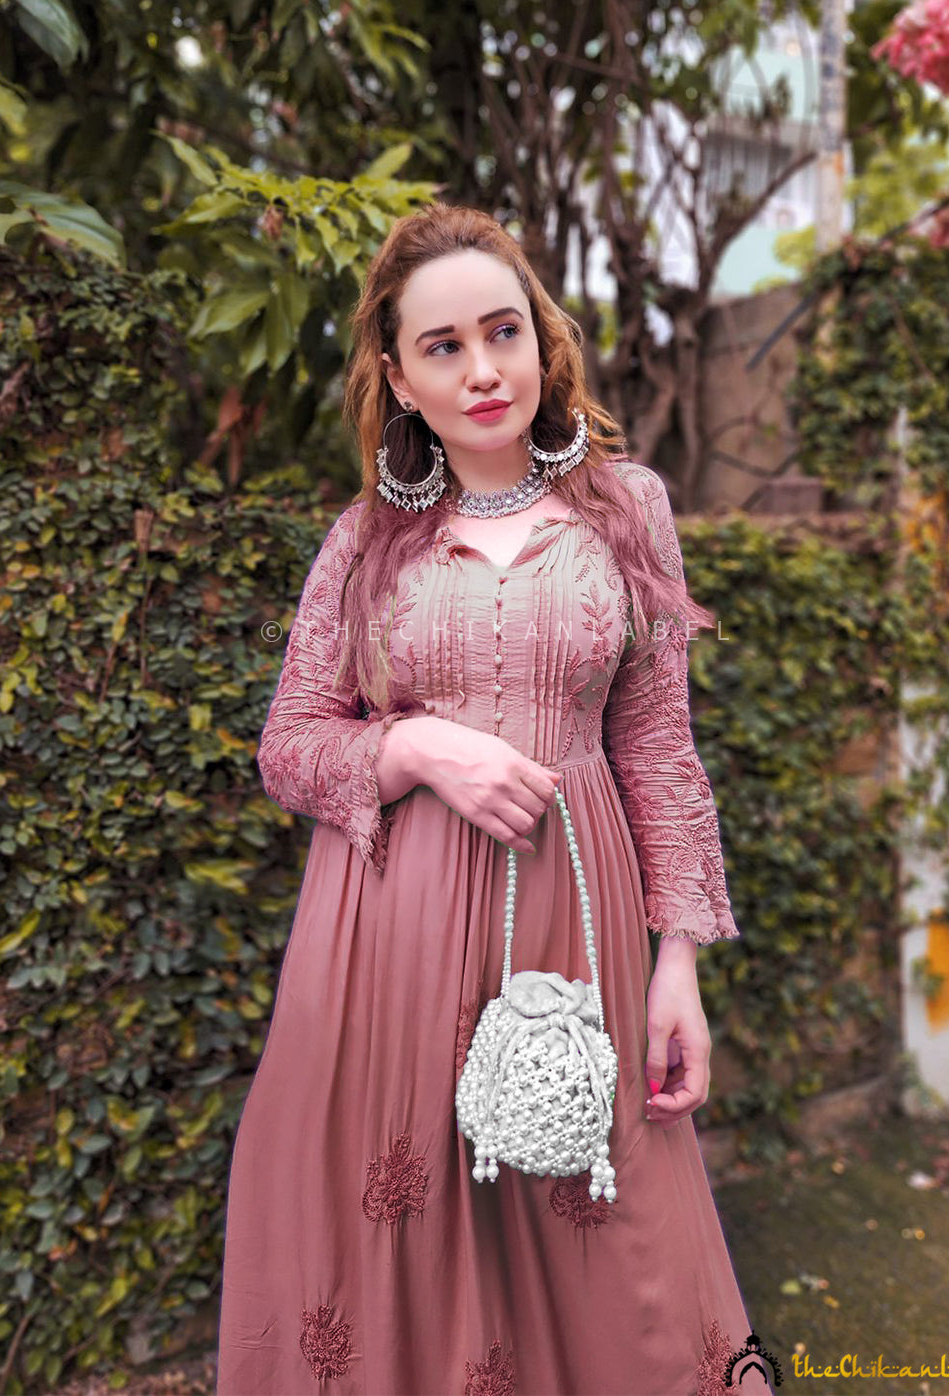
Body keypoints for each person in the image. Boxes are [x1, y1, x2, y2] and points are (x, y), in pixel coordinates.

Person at [216, 202, 766, 1396]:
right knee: (409, 1240)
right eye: (443, 347)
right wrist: (415, 751)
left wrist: (679, 965)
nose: (481, 370)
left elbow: (660, 753)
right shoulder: (363, 544)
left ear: (543, 342)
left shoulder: (628, 514)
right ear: (400, 380)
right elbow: (290, 745)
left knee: (619, 1246)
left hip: (584, 936)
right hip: (389, 944)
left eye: (501, 331)